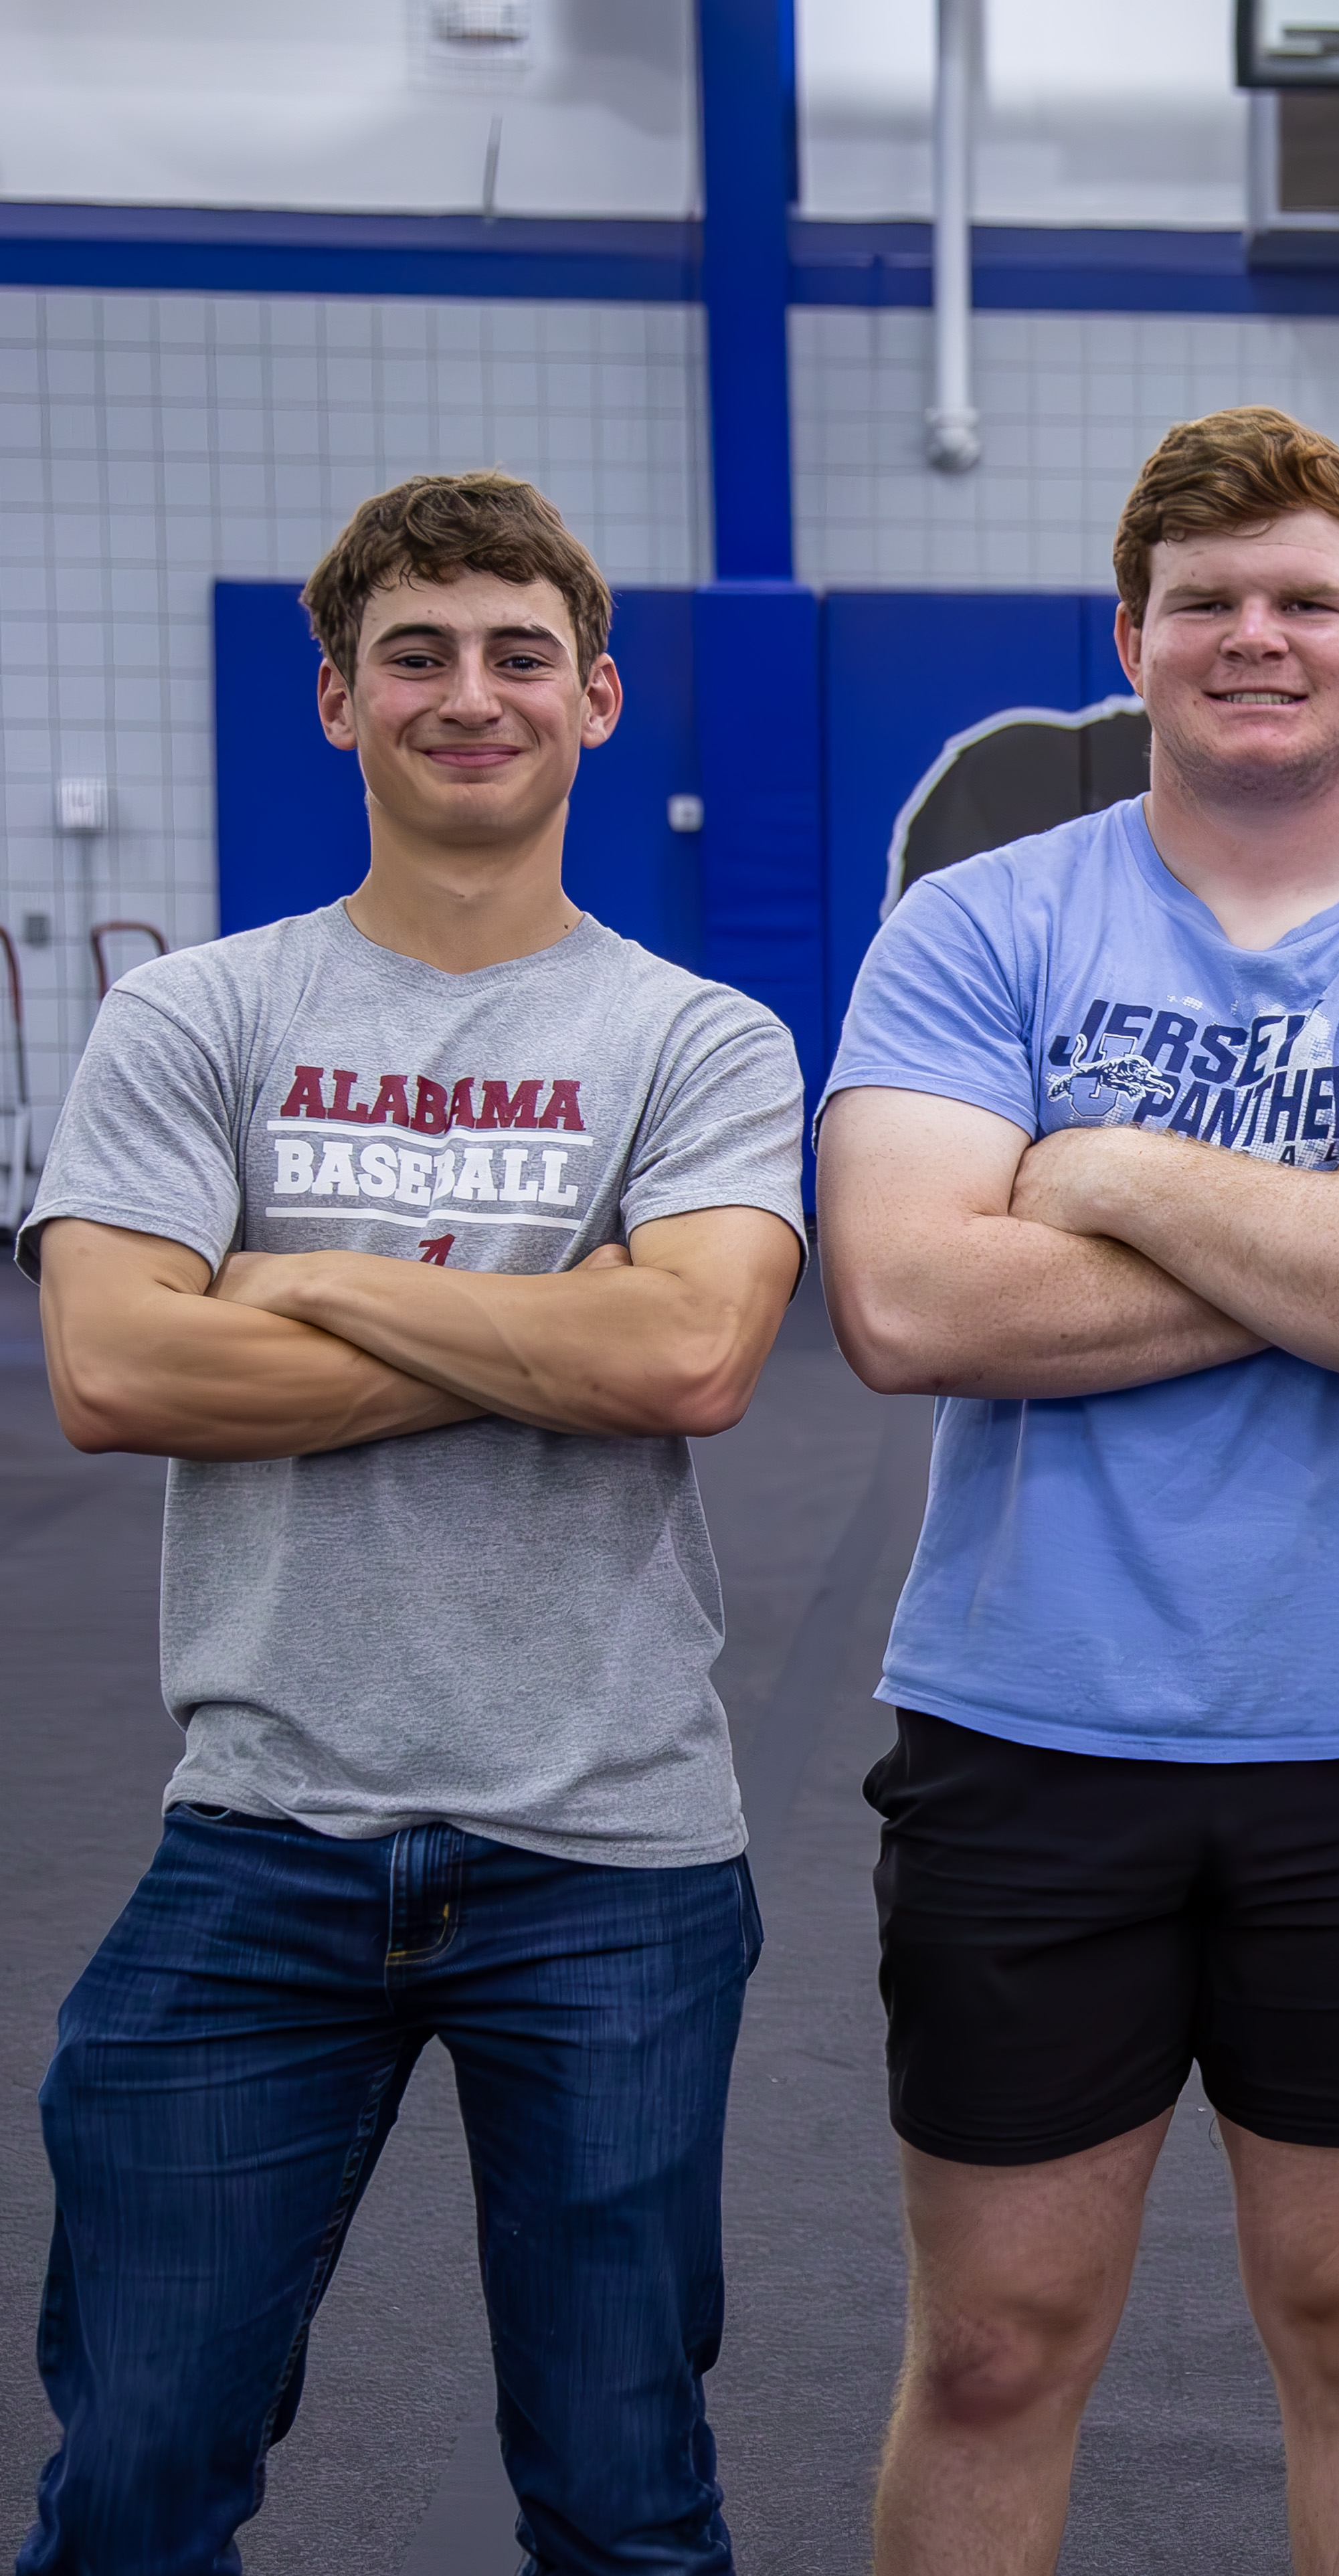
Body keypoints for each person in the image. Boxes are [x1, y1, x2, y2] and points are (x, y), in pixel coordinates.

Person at [819, 405, 1339, 2576]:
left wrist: (1116, 1180)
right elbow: (905, 1300)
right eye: (1205, 603)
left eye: (1299, 601)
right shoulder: (976, 927)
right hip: (1024, 1732)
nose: (1252, 637)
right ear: (1134, 636)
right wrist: (1333, 1229)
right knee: (994, 2345)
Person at [17, 471, 809, 2569]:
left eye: (518, 652)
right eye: (419, 656)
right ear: (338, 702)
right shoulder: (199, 1017)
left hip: (615, 1850)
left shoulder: (695, 1039)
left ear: (602, 697)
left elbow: (694, 1363)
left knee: (628, 2496)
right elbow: (116, 1370)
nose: (472, 695)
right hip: (264, 1824)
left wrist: (298, 1278)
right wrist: (550, 1315)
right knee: (131, 2484)